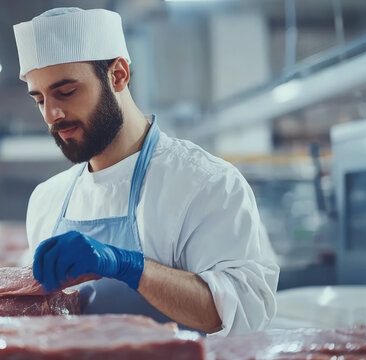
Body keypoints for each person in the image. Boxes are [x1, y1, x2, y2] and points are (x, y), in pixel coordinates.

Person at [15, 8, 278, 335]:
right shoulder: (47, 199)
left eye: (66, 92)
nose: (51, 114)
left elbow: (240, 312)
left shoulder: (204, 183)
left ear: (118, 75)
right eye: (39, 99)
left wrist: (128, 266)